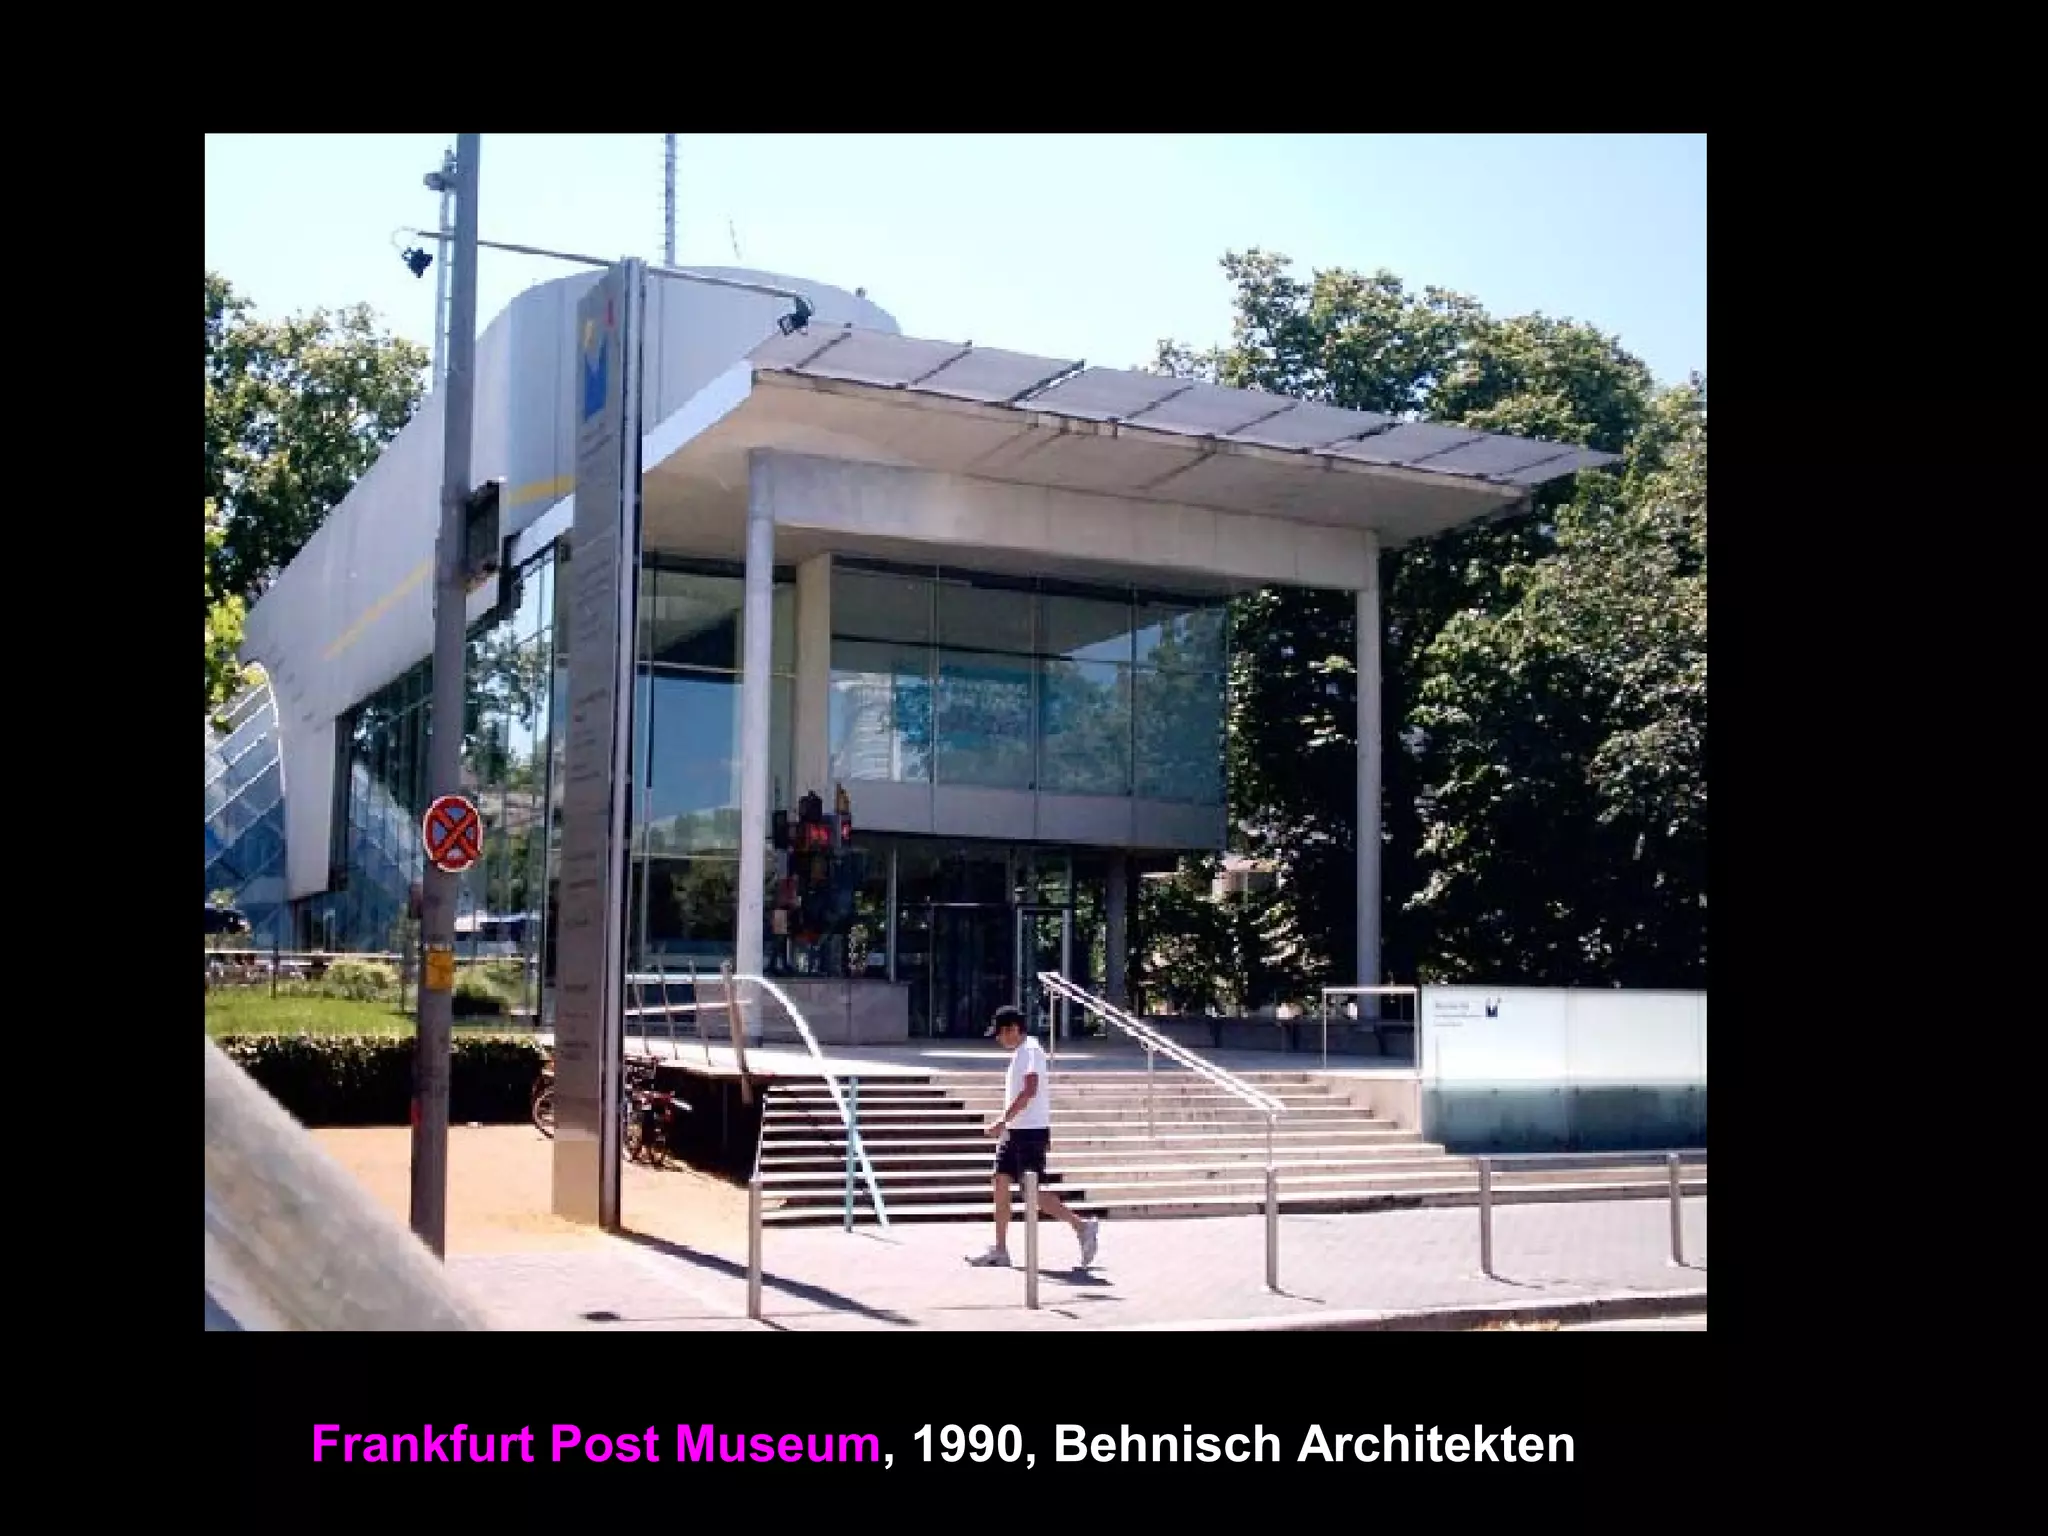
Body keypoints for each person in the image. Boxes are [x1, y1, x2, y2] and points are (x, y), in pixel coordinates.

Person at [967, 1005, 1100, 1269]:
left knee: (1033, 1193)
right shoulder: (1020, 1053)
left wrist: (1002, 1120)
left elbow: (1030, 1089)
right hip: (1014, 1132)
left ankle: (1082, 1226)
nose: (998, 1039)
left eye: (1001, 1033)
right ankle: (1000, 1249)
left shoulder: (1031, 1050)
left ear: (1013, 1029)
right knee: (1000, 1181)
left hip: (1030, 1132)